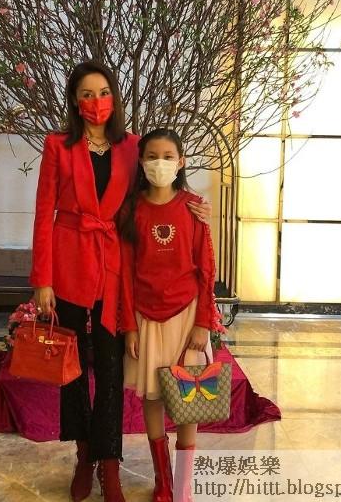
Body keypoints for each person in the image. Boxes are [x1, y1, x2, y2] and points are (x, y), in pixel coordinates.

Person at [30, 61, 210, 502]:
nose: (96, 102)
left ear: (115, 97)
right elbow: (44, 212)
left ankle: (109, 465)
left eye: (103, 92)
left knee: (111, 370)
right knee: (72, 368)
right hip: (69, 263)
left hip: (114, 266)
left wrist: (196, 207)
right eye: (87, 94)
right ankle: (83, 456)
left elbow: (155, 195)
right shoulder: (57, 146)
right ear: (75, 100)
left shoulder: (132, 146)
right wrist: (42, 280)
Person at [119, 128, 218, 502]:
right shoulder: (131, 210)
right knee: (154, 397)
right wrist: (129, 326)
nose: (159, 163)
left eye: (167, 156)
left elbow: (206, 269)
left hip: (186, 316)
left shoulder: (193, 208)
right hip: (146, 318)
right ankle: (163, 481)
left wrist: (203, 322)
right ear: (141, 161)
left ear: (181, 162)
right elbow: (125, 274)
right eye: (151, 156)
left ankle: (184, 486)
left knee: (190, 400)